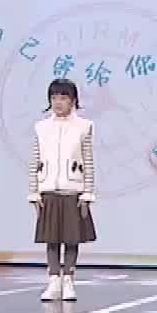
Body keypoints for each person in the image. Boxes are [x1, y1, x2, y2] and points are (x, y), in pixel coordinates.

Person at [28, 78, 96, 301]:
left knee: (71, 238)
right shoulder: (41, 128)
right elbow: (35, 161)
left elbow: (88, 161)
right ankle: (53, 281)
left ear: (73, 100)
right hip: (48, 189)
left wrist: (87, 193)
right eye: (54, 98)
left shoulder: (84, 126)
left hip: (73, 190)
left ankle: (68, 280)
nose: (58, 102)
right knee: (52, 239)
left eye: (63, 97)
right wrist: (34, 193)